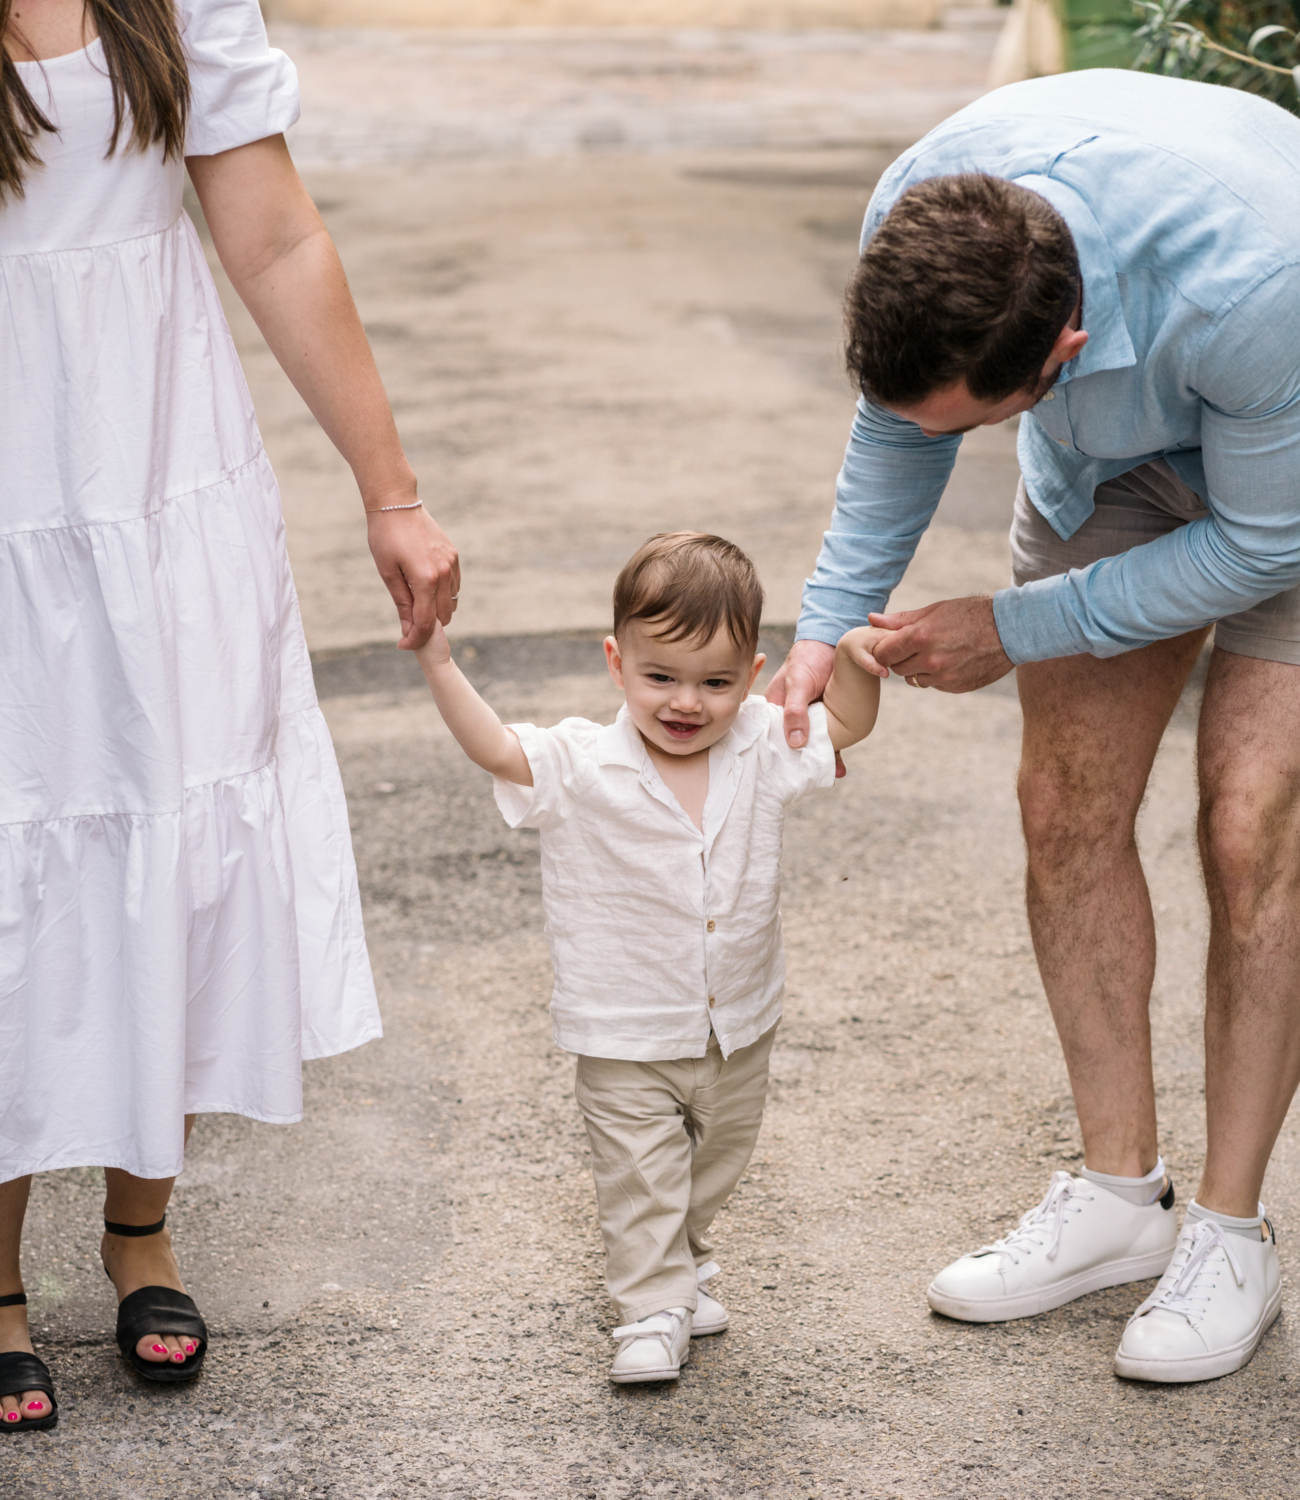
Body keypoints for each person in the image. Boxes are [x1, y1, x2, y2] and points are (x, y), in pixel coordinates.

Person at [767, 68, 1300, 1383]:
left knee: (1251, 823)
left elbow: (1258, 546)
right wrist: (825, 631)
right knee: (1065, 809)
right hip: (1114, 465)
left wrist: (1012, 630)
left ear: (1054, 357)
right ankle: (1121, 1204)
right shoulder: (923, 217)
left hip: (1287, 475)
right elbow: (900, 431)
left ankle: (1233, 1233)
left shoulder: (1256, 280)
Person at [0, 0, 457, 1430]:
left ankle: (141, 1224)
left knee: (183, 843)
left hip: (164, 474)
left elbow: (274, 236)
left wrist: (389, 487)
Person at [415, 532, 883, 1382]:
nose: (685, 703)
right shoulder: (581, 761)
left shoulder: (759, 744)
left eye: (713, 682)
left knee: (718, 1161)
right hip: (625, 1030)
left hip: (738, 1023)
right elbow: (495, 748)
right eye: (659, 676)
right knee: (641, 1175)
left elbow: (846, 719)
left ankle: (686, 1262)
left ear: (752, 674)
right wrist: (440, 663)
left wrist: (855, 656)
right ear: (616, 661)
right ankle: (650, 1307)